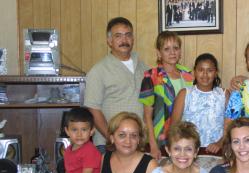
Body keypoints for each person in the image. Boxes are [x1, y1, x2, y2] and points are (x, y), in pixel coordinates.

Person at [84, 17, 148, 153]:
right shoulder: (98, 71)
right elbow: (93, 109)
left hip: (137, 143)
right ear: (109, 41)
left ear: (133, 39)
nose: (124, 40)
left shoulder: (143, 67)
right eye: (118, 36)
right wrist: (111, 138)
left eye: (128, 35)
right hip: (108, 145)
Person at [139, 31, 193, 160]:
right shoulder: (151, 76)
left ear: (180, 51)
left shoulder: (189, 75)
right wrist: (152, 144)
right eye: (167, 49)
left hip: (187, 136)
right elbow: (147, 115)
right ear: (159, 53)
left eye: (176, 48)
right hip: (162, 138)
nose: (172, 52)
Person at [171, 53, 228, 153]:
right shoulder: (184, 94)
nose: (205, 74)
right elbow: (174, 127)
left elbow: (229, 127)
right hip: (188, 152)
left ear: (216, 73)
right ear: (195, 72)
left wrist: (220, 143)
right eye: (201, 70)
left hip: (217, 151)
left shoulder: (224, 94)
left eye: (210, 70)